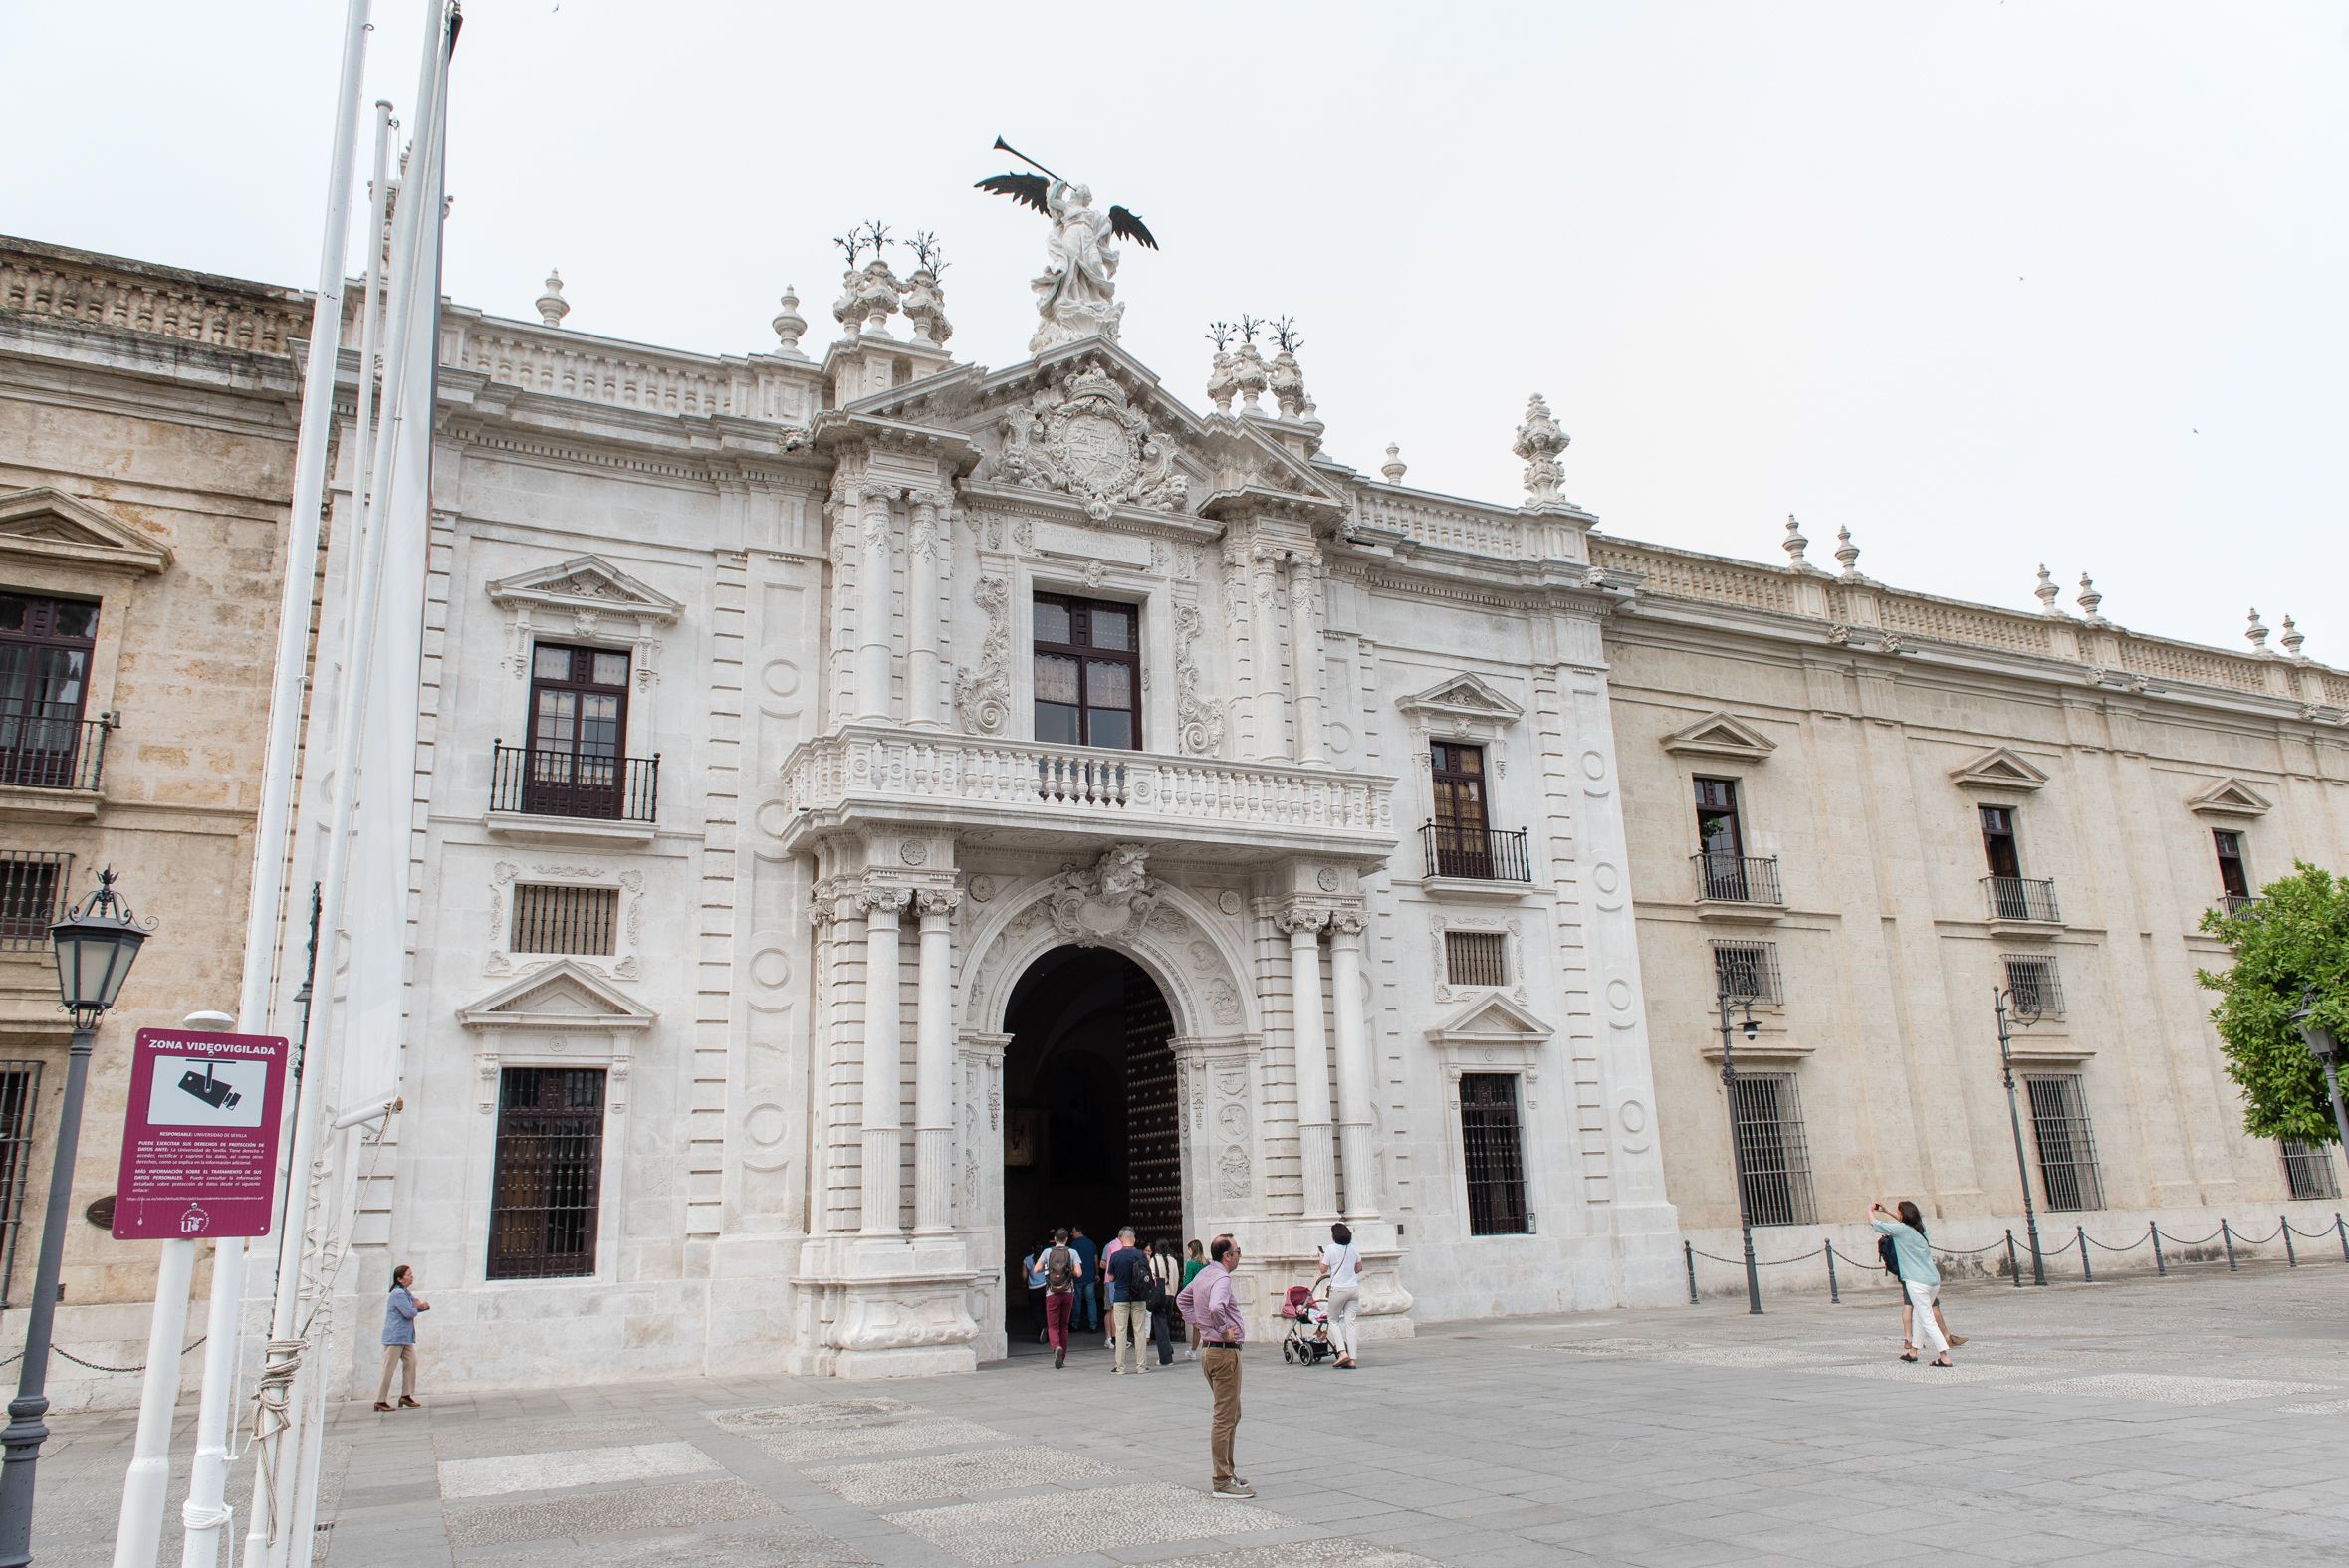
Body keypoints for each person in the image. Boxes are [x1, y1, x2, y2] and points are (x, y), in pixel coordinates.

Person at [1175, 1233, 1251, 1499]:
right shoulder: (1221, 1278)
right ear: (1227, 1256)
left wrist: (1198, 1323)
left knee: (1232, 1412)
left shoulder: (1204, 1274)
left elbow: (1182, 1300)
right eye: (1237, 1251)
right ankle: (1221, 1480)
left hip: (1210, 1352)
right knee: (1224, 1417)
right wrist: (1219, 1329)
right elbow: (1217, 1306)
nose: (1240, 1255)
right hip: (1224, 1352)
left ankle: (1228, 1472)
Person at [1871, 1201, 1952, 1367]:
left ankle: (1944, 1356)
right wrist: (1887, 1211)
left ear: (1903, 1214)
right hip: (1933, 1280)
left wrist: (1870, 1210)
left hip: (1917, 1281)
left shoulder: (1901, 1230)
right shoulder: (1921, 1229)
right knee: (1919, 1315)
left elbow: (1875, 1224)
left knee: (1927, 1319)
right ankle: (1913, 1351)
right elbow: (1904, 1221)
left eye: (1898, 1211)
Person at [374, 1263, 428, 1412]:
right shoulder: (397, 1294)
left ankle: (406, 1395)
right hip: (395, 1336)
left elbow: (415, 1304)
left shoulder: (406, 1293)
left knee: (411, 1362)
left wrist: (419, 1306)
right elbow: (409, 1312)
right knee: (389, 1368)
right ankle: (380, 1400)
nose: (412, 1278)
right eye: (409, 1275)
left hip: (405, 1337)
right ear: (399, 1279)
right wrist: (419, 1306)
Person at [1317, 1221, 1363, 1370]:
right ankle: (1352, 1359)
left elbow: (1323, 1269)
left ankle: (1342, 1353)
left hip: (1339, 1289)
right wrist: (1348, 1272)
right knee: (1350, 1322)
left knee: (1332, 1320)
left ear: (1334, 1236)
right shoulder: (1353, 1248)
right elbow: (1359, 1268)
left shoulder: (1330, 1249)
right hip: (1353, 1289)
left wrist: (1320, 1256)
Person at [1106, 1225, 1151, 1373]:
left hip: (1121, 1298)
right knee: (1139, 1331)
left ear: (1121, 1240)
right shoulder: (1141, 1255)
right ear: (1134, 1239)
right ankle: (1141, 1366)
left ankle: (1120, 1367)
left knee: (1120, 1332)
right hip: (1139, 1297)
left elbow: (1111, 1278)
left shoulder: (1115, 1256)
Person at [1041, 1227, 1077, 1369]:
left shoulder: (1047, 1252)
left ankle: (1056, 1347)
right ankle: (1063, 1357)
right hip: (1068, 1292)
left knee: (1052, 1325)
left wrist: (1048, 1270)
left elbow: (1036, 1269)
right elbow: (1079, 1273)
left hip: (1052, 1293)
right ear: (1067, 1239)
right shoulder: (1072, 1252)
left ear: (1055, 1239)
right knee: (1064, 1326)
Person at [1148, 1237, 1183, 1367]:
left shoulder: (1154, 1260)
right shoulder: (1173, 1261)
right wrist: (1173, 1293)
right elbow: (1176, 1278)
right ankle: (1168, 1349)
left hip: (1159, 1296)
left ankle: (1166, 1358)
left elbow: (1152, 1278)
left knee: (1160, 1327)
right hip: (1170, 1295)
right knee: (1166, 1325)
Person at [1099, 1225, 1131, 1350]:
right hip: (1114, 1281)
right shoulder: (1118, 1245)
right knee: (1114, 1309)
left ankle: (1110, 1338)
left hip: (1110, 1281)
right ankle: (1116, 1337)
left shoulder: (1110, 1244)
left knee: (1110, 1309)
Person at [1068, 1226, 1100, 1335]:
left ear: (1079, 1232)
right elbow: (1096, 1260)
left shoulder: (1074, 1245)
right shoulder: (1091, 1244)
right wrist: (1097, 1274)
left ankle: (1075, 1324)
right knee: (1091, 1302)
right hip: (1090, 1277)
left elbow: (1072, 1261)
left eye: (1073, 1232)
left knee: (1077, 1302)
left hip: (1078, 1277)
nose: (1072, 1234)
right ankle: (1093, 1326)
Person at [1181, 1239, 1206, 1361]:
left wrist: (1183, 1283)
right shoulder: (1207, 1263)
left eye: (1189, 1249)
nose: (1188, 1252)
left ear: (1193, 1250)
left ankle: (1194, 1351)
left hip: (1195, 1297)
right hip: (1206, 1297)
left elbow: (1187, 1283)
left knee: (1197, 1325)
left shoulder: (1191, 1264)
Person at [1022, 1240, 1050, 1344]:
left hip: (1033, 1289)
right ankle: (1045, 1329)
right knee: (1045, 1310)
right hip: (1044, 1287)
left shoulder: (1027, 1260)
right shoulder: (1045, 1259)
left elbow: (1024, 1275)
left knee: (1034, 1312)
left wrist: (1024, 1284)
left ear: (1032, 1249)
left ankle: (1042, 1327)